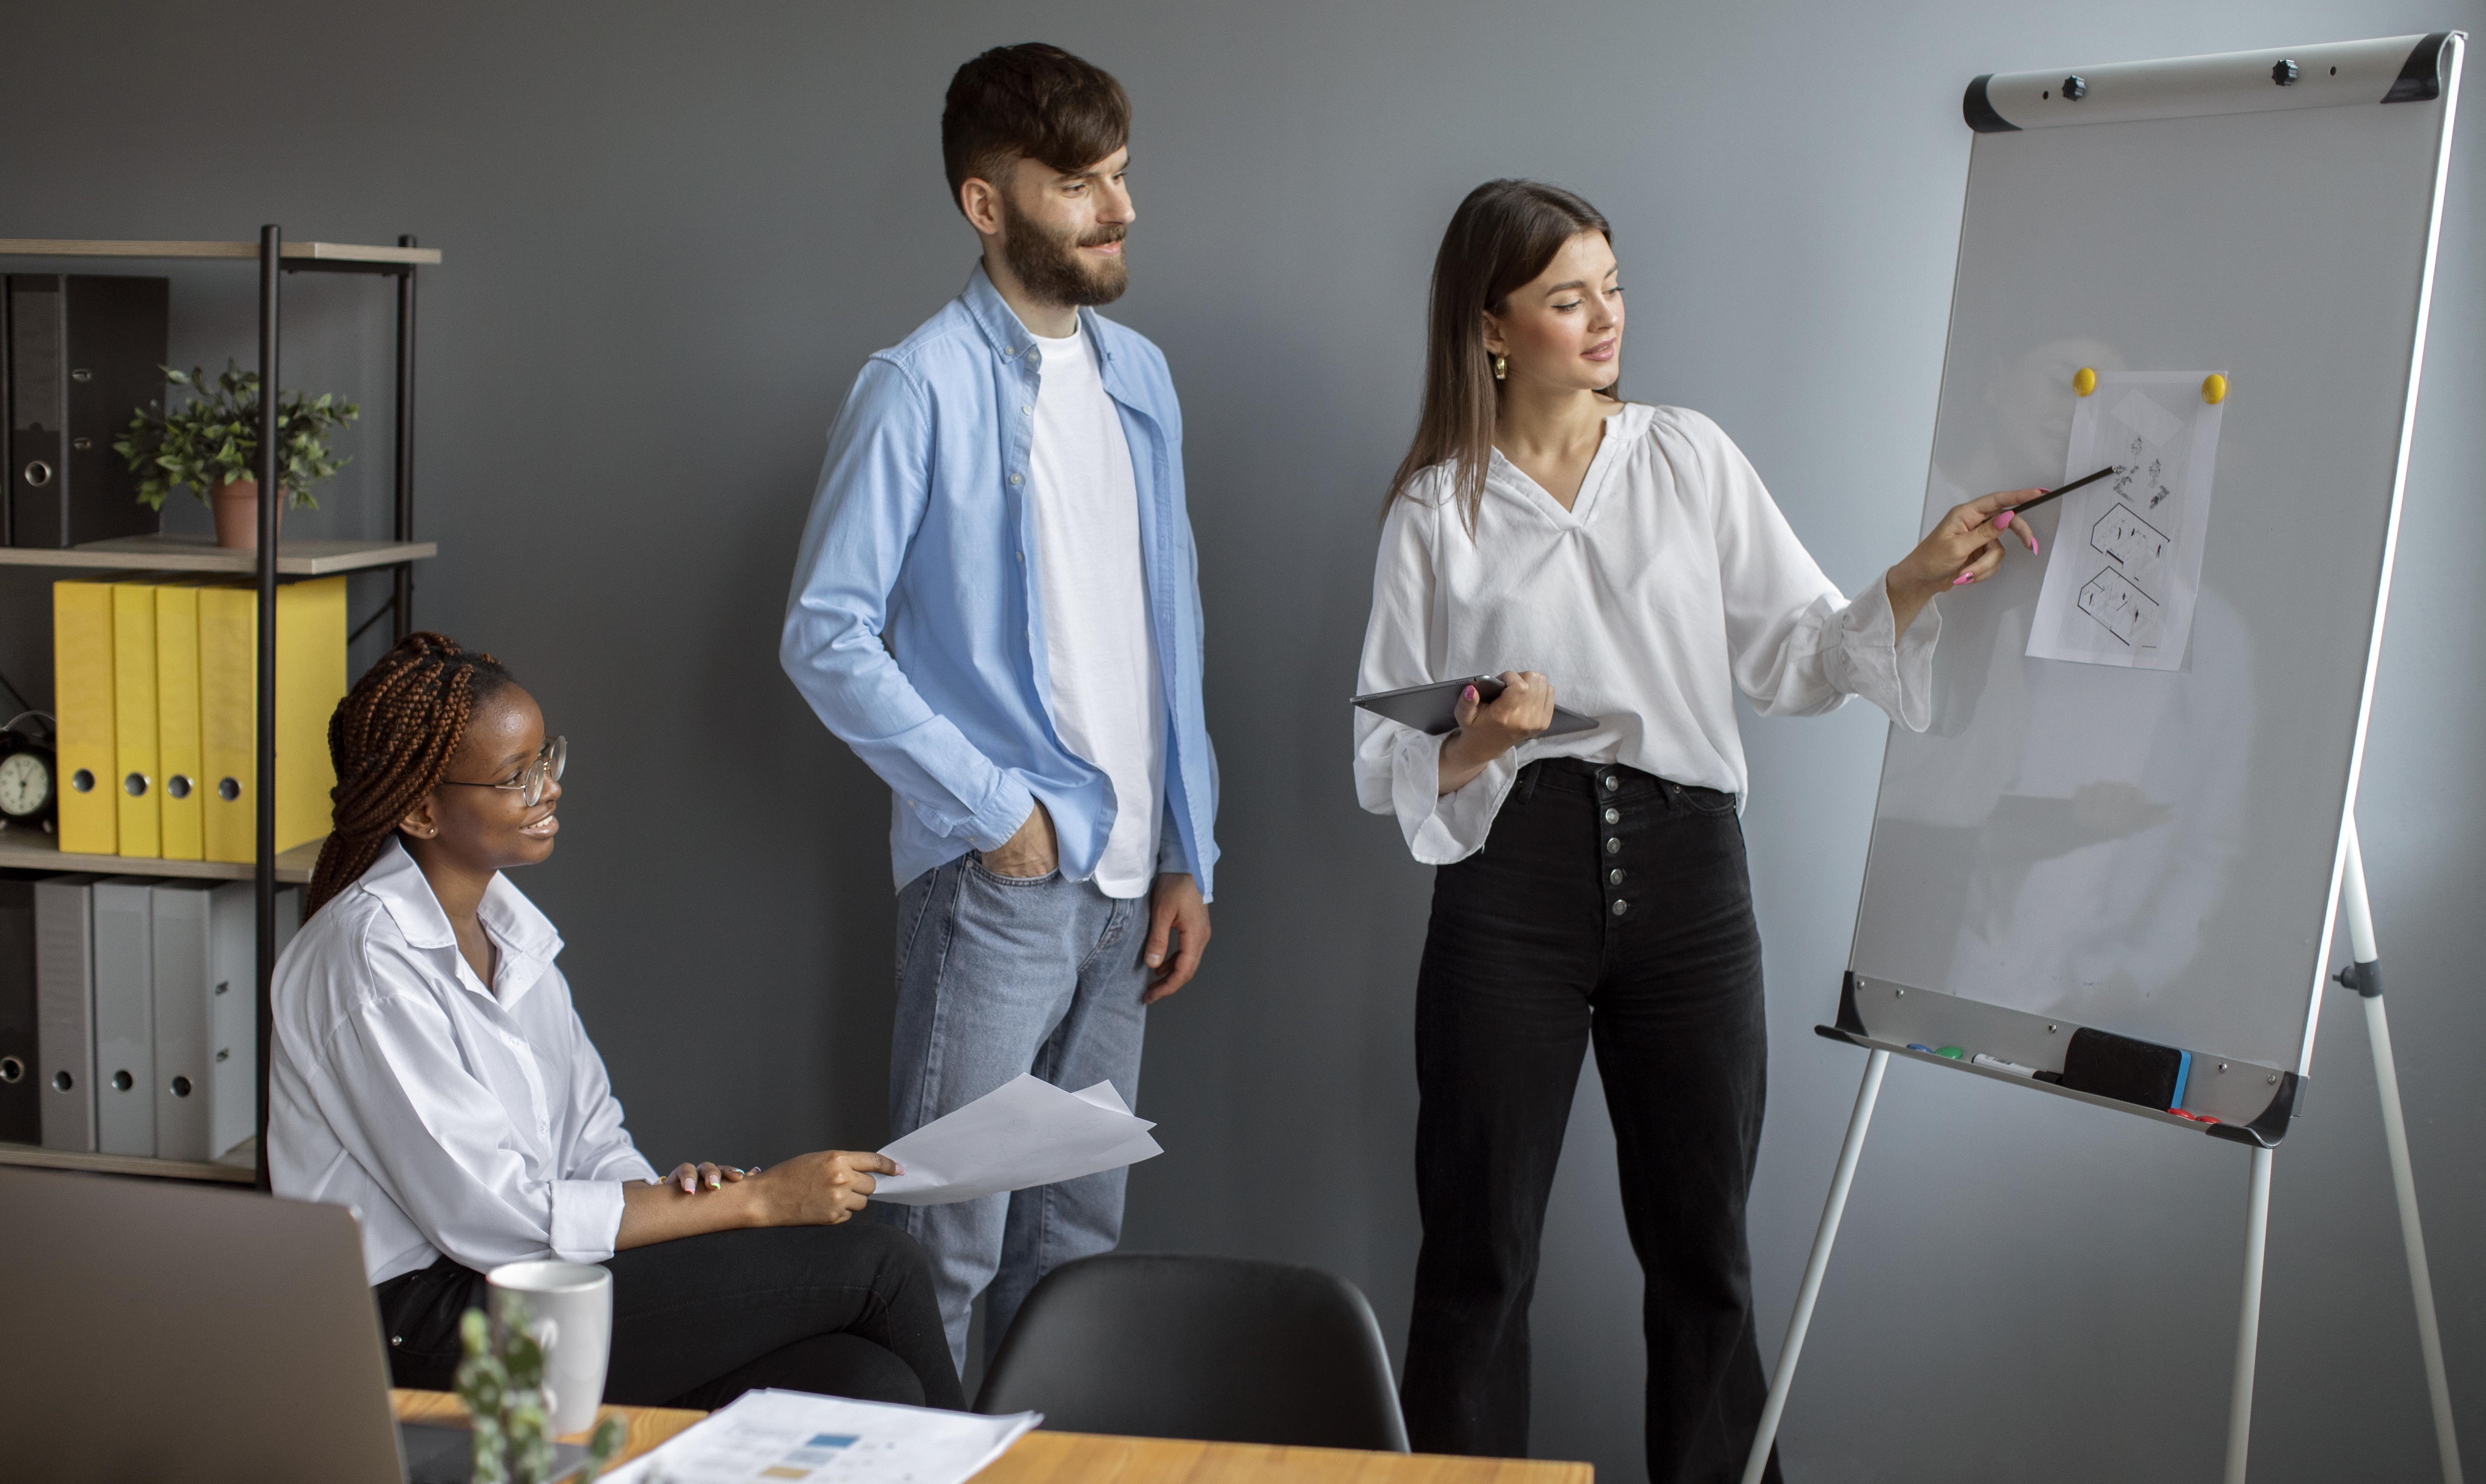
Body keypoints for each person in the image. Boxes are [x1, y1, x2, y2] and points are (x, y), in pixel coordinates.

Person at [1353, 180, 2037, 1482]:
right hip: (1512, 880)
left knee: (1704, 1258)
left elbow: (1794, 654)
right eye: (1567, 297)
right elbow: (1386, 754)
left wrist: (1906, 579)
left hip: (1687, 875)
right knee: (1477, 1259)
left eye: (1612, 285)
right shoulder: (1436, 508)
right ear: (1492, 327)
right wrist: (1489, 735)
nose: (1606, 318)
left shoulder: (1686, 455)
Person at [779, 42, 1219, 1370]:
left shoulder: (1141, 377)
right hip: (1001, 891)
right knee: (942, 1251)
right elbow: (824, 633)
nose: (1117, 209)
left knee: (1075, 1253)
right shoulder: (916, 385)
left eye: (1121, 176)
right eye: (1079, 184)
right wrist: (996, 811)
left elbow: (1170, 636)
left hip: (1128, 890)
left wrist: (1190, 849)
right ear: (988, 204)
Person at [269, 632, 962, 1412]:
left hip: (529, 1277)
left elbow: (591, 1140)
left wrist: (674, 1198)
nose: (549, 789)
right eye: (516, 777)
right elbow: (491, 1218)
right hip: (420, 1322)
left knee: (861, 1377)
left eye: (547, 760)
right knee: (878, 1263)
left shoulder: (510, 932)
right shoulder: (366, 962)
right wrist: (756, 1201)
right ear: (422, 810)